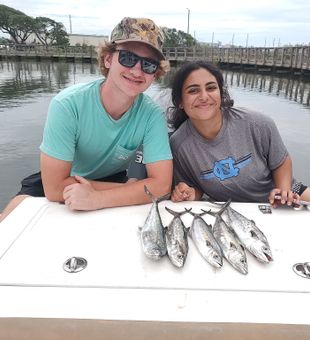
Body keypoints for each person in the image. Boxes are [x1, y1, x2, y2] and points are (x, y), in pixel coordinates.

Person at [0, 17, 173, 222]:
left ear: (156, 73)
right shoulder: (68, 105)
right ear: (108, 59)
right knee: (11, 217)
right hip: (65, 180)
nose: (137, 70)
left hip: (112, 180)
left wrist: (98, 198)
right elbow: (54, 187)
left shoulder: (152, 115)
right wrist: (127, 190)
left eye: (149, 65)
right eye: (127, 58)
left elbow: (162, 186)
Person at [168, 61, 310, 207]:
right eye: (193, 91)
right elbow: (194, 187)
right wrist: (190, 193)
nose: (204, 96)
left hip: (281, 198)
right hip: (230, 210)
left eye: (211, 88)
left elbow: (281, 161)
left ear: (221, 93)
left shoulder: (256, 123)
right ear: (180, 101)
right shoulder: (179, 145)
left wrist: (283, 190)